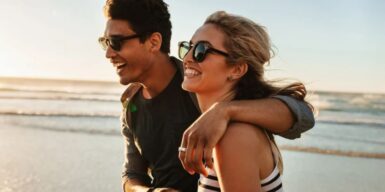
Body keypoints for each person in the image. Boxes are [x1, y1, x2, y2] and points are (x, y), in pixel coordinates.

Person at [99, 0, 314, 191]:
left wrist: (223, 111)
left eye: (116, 42)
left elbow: (303, 115)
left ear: (154, 42)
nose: (108, 53)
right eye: (105, 43)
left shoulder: (198, 86)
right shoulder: (131, 105)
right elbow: (132, 173)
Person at [178, 11, 309, 192]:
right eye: (188, 47)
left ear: (237, 69)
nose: (187, 58)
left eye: (201, 50)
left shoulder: (234, 137)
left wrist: (223, 110)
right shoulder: (230, 129)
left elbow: (303, 114)